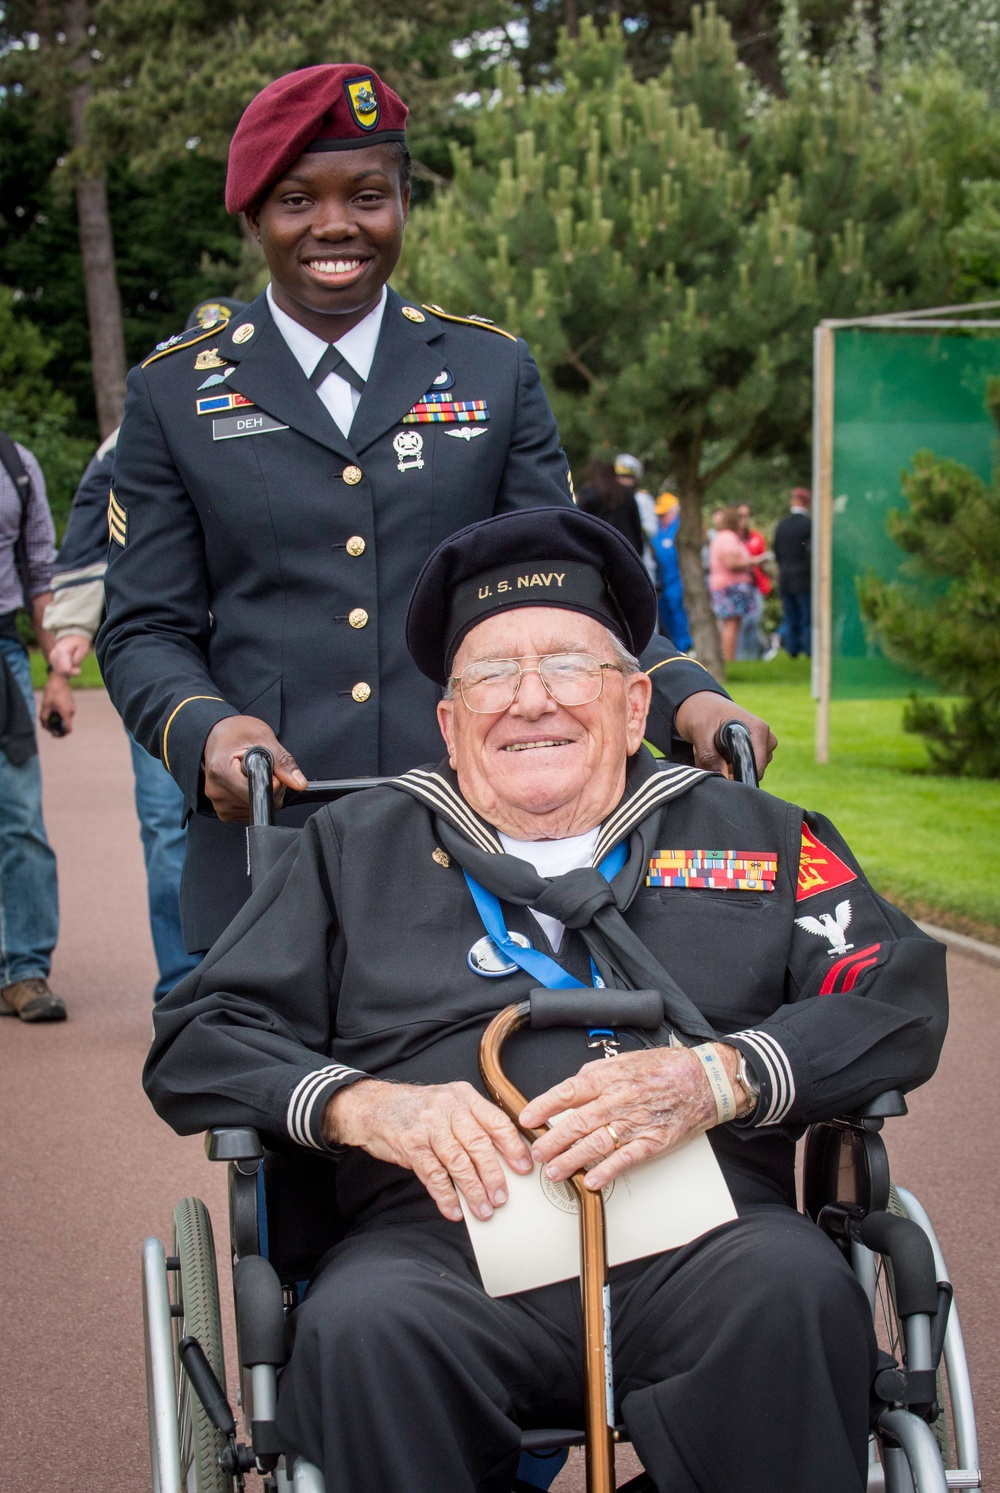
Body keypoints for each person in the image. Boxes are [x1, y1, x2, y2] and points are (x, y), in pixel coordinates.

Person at [145, 505, 947, 1493]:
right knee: (362, 1328)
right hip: (437, 1250)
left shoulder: (764, 834)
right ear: (448, 719)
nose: (530, 700)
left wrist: (721, 1072)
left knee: (795, 1293)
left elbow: (893, 989)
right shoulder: (353, 848)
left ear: (632, 699)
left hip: (713, 1241)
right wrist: (367, 1103)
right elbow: (201, 1032)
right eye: (488, 675)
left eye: (568, 666)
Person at [96, 63, 774, 954]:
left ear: (404, 202)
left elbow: (575, 596)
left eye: (368, 195)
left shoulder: (492, 371)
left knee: (502, 1080)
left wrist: (687, 698)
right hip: (276, 834)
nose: (336, 225)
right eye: (298, 200)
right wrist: (207, 729)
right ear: (252, 215)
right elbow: (143, 627)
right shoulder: (175, 393)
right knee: (270, 1086)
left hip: (487, 831)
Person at [45, 300, 245, 1000]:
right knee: (168, 824)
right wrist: (72, 624)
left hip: (253, 660)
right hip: (169, 661)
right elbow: (88, 530)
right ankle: (185, 987)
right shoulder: (146, 419)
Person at [0, 434, 74, 1021]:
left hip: (3, 652)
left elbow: (40, 573)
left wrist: (57, 673)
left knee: (19, 816)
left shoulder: (16, 465)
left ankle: (23, 969)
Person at [707, 506, 756, 663]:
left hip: (724, 585)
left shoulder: (722, 536)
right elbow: (731, 562)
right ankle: (729, 660)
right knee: (731, 624)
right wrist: (754, 561)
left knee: (730, 624)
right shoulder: (728, 537)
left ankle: (729, 658)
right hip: (729, 586)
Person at [577, 456, 644, 555]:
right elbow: (636, 527)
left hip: (598, 551)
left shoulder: (588, 493)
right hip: (626, 549)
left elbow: (580, 523)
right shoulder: (626, 493)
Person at [650, 488, 690, 652]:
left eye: (664, 514)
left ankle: (685, 646)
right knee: (665, 614)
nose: (661, 518)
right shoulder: (658, 529)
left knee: (678, 613)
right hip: (663, 581)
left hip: (677, 579)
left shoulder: (680, 528)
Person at [774, 486, 812, 658]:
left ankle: (792, 650)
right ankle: (807, 649)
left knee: (790, 617)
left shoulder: (782, 525)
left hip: (785, 577)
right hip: (804, 577)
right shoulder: (809, 525)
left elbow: (776, 551)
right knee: (806, 617)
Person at [734, 501, 773, 661]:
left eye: (746, 516)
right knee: (741, 624)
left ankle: (756, 655)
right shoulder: (731, 538)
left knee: (754, 620)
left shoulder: (755, 537)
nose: (744, 519)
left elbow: (763, 564)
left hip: (754, 584)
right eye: (740, 516)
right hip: (737, 586)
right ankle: (741, 658)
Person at [613, 453, 658, 586]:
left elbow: (651, 530)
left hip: (639, 559)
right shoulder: (609, 499)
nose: (623, 481)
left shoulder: (642, 500)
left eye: (628, 477)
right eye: (620, 476)